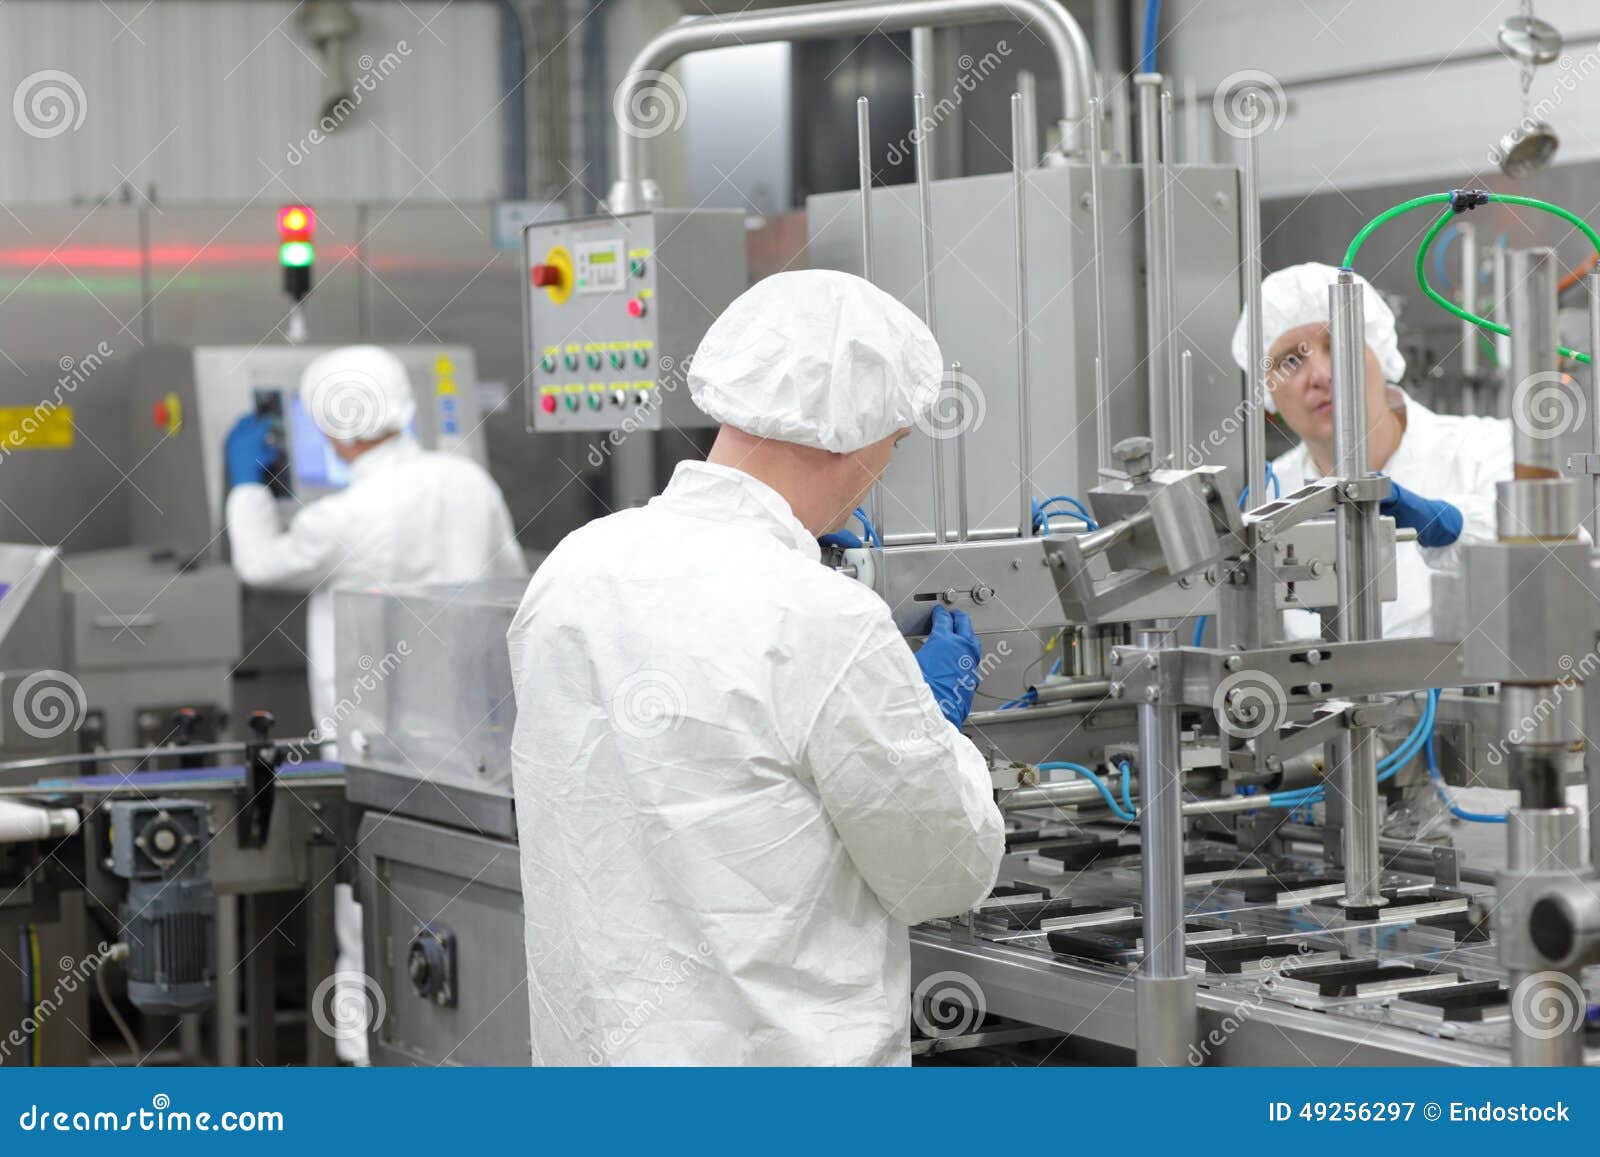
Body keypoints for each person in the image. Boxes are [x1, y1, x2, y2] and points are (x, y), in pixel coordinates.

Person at [506, 269, 1005, 1066]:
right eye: (896, 442)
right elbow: (941, 872)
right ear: (861, 432)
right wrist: (938, 734)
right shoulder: (823, 620)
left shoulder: (574, 569)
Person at [224, 344, 527, 1064]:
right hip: (477, 744)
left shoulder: (348, 513)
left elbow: (260, 562)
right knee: (478, 902)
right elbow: (511, 583)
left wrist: (246, 484)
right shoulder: (467, 480)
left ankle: (370, 1063)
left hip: (377, 748)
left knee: (371, 906)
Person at [1231, 263, 1511, 639]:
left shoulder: (1486, 450)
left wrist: (1453, 526)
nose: (1322, 376)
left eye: (1338, 346)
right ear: (1268, 392)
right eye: (1291, 361)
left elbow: (1559, 562)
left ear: (1380, 353)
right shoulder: (1268, 496)